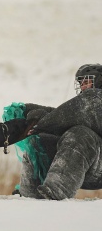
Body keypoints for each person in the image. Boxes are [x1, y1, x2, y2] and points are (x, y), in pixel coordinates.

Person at [19, 63, 102, 200]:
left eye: (87, 81)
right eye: (81, 83)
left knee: (79, 135)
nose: (83, 86)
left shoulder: (95, 99)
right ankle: (28, 198)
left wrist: (40, 121)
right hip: (85, 166)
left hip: (98, 168)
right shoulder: (82, 106)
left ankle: (54, 196)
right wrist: (27, 111)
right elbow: (65, 117)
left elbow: (70, 115)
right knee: (38, 142)